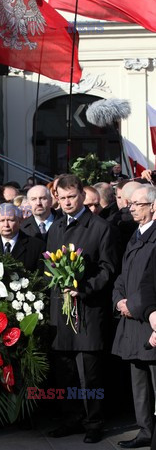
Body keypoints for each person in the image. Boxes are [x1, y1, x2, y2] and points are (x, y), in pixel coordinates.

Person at [47, 174, 118, 444]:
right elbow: (50, 267)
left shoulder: (101, 227)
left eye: (71, 197)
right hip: (61, 311)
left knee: (89, 373)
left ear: (81, 195)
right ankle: (71, 418)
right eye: (62, 198)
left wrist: (84, 288)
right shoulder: (55, 228)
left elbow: (108, 268)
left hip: (88, 310)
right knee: (65, 371)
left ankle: (94, 422)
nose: (66, 202)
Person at [112, 185, 156, 449]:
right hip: (132, 321)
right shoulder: (135, 235)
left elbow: (150, 282)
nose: (132, 208)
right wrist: (118, 300)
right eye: (131, 204)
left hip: (149, 321)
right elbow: (123, 274)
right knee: (138, 381)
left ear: (152, 206)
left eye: (137, 204)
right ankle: (144, 430)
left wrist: (135, 305)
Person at [0, 203, 45, 272]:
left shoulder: (37, 246)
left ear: (20, 221)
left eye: (10, 220)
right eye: (2, 220)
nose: (6, 225)